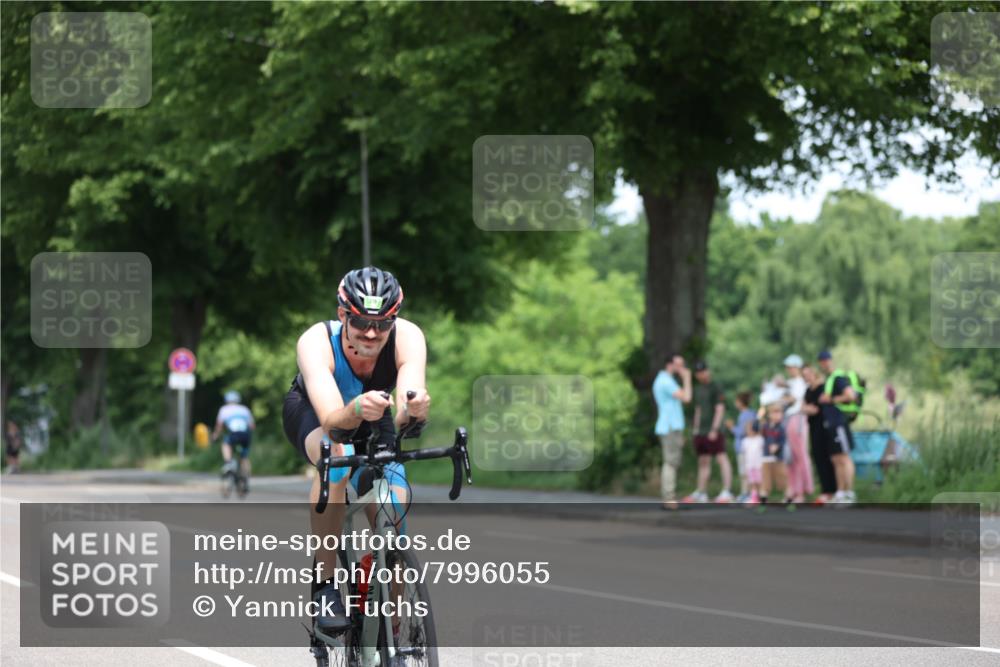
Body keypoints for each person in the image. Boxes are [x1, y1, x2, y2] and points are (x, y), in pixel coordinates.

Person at [281, 266, 430, 637]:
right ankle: (325, 584)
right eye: (361, 320)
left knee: (394, 504)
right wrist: (357, 410)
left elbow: (406, 400)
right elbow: (334, 421)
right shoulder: (315, 341)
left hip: (373, 415)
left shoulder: (408, 336)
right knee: (336, 461)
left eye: (382, 324)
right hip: (316, 413)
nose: (371, 332)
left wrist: (412, 411)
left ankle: (391, 634)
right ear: (343, 314)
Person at [683, 361, 733, 503]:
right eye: (699, 372)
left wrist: (715, 429)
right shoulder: (698, 389)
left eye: (703, 371)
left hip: (714, 429)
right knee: (703, 460)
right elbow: (698, 410)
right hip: (701, 431)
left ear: (708, 371)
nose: (701, 374)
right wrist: (696, 429)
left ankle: (726, 491)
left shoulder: (715, 386)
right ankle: (701, 491)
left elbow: (719, 408)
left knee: (721, 457)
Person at [652, 354, 692, 510]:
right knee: (670, 461)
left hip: (671, 425)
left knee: (672, 461)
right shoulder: (665, 381)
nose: (682, 368)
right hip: (669, 426)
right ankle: (669, 497)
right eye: (679, 365)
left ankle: (669, 496)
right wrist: (687, 378)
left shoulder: (666, 380)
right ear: (670, 365)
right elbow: (687, 397)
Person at [817, 350, 857, 504]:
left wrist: (831, 399)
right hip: (831, 425)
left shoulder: (838, 378)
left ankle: (849, 492)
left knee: (844, 457)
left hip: (839, 422)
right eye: (821, 361)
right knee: (835, 459)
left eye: (826, 360)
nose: (824, 363)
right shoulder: (829, 379)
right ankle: (840, 491)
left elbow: (850, 395)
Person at [802, 364, 837, 503]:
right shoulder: (807, 390)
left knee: (827, 457)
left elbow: (816, 409)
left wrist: (808, 408)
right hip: (813, 426)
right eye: (804, 375)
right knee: (818, 457)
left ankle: (833, 490)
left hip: (824, 426)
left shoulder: (823, 387)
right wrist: (807, 408)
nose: (806, 377)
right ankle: (825, 490)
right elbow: (804, 407)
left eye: (808, 373)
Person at [782, 355, 813, 503]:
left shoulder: (801, 383)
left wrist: (783, 396)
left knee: (800, 456)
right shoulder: (790, 382)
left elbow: (793, 399)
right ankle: (792, 490)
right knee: (790, 457)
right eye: (788, 367)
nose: (789, 370)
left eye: (792, 367)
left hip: (798, 418)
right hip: (788, 419)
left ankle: (802, 491)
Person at [212, 390, 256, 484]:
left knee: (225, 444)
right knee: (244, 457)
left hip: (233, 434)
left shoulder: (224, 409)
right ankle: (246, 479)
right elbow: (252, 426)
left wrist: (215, 436)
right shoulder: (244, 409)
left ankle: (228, 463)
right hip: (245, 435)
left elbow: (219, 426)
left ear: (227, 401)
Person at [725, 391, 756, 503]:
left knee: (745, 472)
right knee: (745, 471)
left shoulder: (745, 415)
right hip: (744, 448)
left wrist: (731, 427)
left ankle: (746, 493)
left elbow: (742, 432)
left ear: (740, 402)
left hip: (744, 448)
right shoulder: (750, 413)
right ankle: (745, 493)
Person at [759, 403, 789, 504]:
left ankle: (788, 498)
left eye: (779, 413)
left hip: (778, 458)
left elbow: (783, 440)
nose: (777, 415)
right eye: (775, 413)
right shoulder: (765, 426)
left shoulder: (781, 427)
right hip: (766, 457)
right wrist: (759, 416)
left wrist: (777, 446)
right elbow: (756, 428)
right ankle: (763, 499)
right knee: (765, 480)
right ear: (769, 414)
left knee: (782, 479)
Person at [741, 419, 764, 505]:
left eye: (751, 428)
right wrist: (745, 466)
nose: (749, 431)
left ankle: (762, 497)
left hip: (759, 465)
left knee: (760, 482)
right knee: (752, 482)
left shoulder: (760, 439)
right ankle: (754, 498)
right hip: (750, 466)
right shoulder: (745, 441)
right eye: (747, 429)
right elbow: (744, 455)